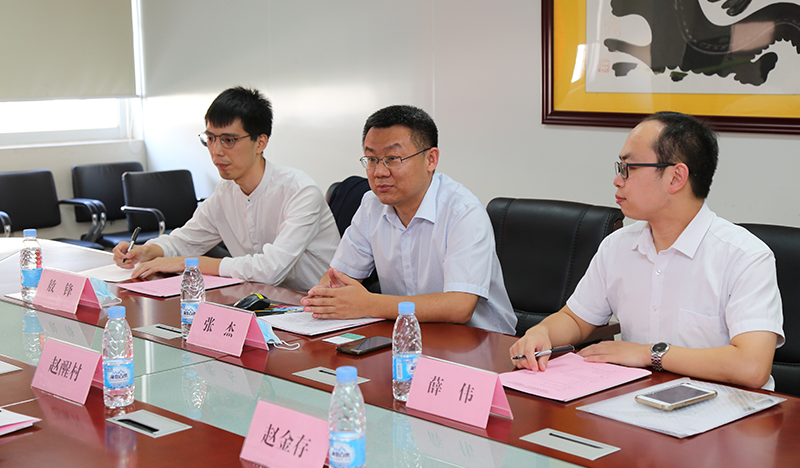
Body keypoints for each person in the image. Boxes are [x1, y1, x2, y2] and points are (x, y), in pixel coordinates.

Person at [510, 112, 784, 389]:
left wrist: (647, 354)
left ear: (676, 177)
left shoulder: (745, 257)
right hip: (637, 396)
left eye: (629, 168)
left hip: (724, 406)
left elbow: (751, 367)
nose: (617, 180)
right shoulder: (618, 246)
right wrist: (542, 333)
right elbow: (575, 319)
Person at [301, 105, 517, 335]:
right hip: (407, 335)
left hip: (480, 341)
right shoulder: (371, 205)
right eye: (372, 159)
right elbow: (338, 277)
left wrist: (369, 304)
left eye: (392, 158)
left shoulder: (463, 211)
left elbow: (459, 307)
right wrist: (327, 296)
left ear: (431, 159)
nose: (379, 172)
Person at [112, 87, 340, 292]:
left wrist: (190, 263)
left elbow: (270, 270)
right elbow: (186, 240)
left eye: (228, 140)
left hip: (314, 305)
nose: (216, 151)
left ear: (260, 143)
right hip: (258, 300)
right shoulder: (226, 191)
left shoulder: (300, 192)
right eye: (211, 138)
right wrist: (147, 251)